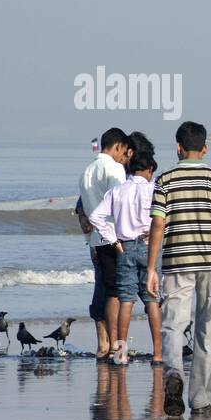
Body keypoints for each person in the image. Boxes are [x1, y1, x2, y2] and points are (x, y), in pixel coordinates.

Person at [145, 121, 211, 416]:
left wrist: (151, 268)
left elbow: (158, 224)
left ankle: (173, 374)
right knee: (206, 327)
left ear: (177, 146)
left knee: (173, 325)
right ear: (205, 149)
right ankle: (200, 397)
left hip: (176, 262)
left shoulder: (164, 180)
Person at [88, 149, 161, 364]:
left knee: (126, 300)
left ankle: (121, 353)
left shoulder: (117, 191)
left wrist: (114, 240)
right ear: (149, 169)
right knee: (153, 301)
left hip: (125, 247)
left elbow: (95, 216)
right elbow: (166, 217)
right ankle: (158, 353)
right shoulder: (154, 190)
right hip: (149, 246)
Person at [79, 127, 131, 358]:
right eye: (123, 152)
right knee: (116, 292)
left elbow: (85, 209)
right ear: (117, 146)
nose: (124, 157)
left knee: (103, 287)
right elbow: (119, 204)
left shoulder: (87, 170)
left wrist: (89, 238)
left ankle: (105, 344)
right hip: (113, 236)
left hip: (96, 240)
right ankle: (113, 346)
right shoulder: (114, 168)